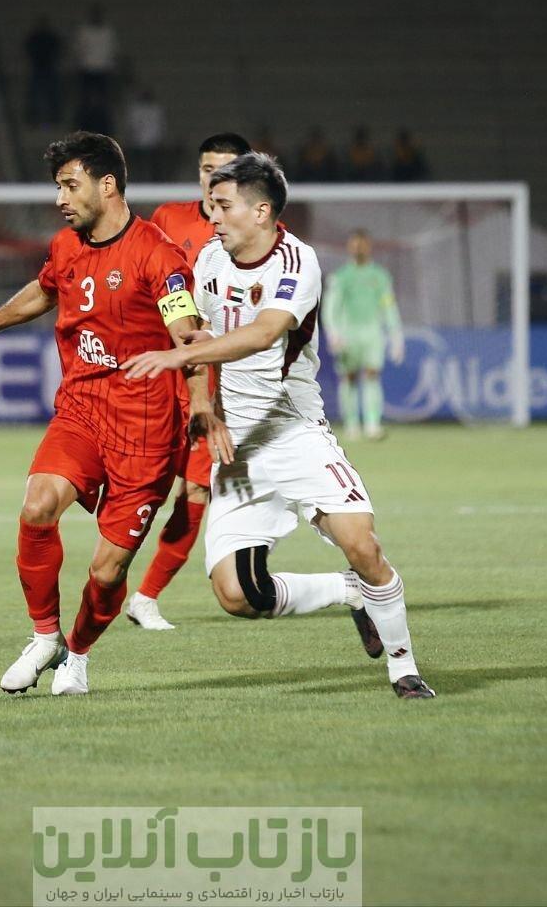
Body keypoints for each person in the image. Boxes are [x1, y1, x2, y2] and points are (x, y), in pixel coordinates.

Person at [122, 153, 435, 700]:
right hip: (238, 449)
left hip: (294, 432)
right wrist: (204, 406)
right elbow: (197, 338)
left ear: (261, 211)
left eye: (224, 206)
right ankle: (350, 592)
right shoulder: (210, 261)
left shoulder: (297, 261)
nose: (212, 216)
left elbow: (265, 333)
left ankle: (403, 667)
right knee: (236, 595)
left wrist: (179, 356)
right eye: (211, 205)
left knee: (362, 544)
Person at [0, 131, 230, 697]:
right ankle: (44, 635)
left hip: (146, 431)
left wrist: (200, 404)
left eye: (70, 185)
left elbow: (188, 336)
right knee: (38, 505)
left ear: (107, 184)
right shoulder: (66, 245)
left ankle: (78, 653)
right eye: (58, 187)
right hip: (82, 410)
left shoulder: (157, 255)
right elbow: (44, 290)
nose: (60, 198)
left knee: (106, 571)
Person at [123, 131, 252, 631]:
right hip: (157, 375)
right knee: (141, 486)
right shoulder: (167, 220)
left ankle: (145, 597)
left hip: (214, 382)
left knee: (197, 490)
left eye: (225, 170)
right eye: (206, 169)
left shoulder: (258, 234)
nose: (213, 179)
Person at [324, 230, 403, 440]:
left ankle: (372, 424)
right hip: (348, 333)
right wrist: (333, 332)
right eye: (355, 245)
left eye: (362, 244)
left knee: (372, 375)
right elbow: (331, 307)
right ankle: (351, 424)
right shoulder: (340, 277)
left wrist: (395, 335)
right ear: (349, 247)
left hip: (372, 333)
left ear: (369, 247)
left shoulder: (380, 276)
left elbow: (388, 306)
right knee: (349, 377)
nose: (358, 248)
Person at [23, 15, 63, 126]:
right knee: (34, 95)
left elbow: (58, 50)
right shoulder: (34, 37)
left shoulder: (52, 37)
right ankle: (33, 118)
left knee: (53, 94)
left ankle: (55, 118)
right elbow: (28, 49)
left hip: (49, 67)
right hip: (37, 68)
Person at [124, 88, 167, 182]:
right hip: (140, 143)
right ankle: (140, 180)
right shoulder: (136, 110)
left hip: (151, 143)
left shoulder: (155, 109)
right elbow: (132, 126)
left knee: (151, 166)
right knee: (140, 166)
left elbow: (160, 126)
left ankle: (151, 180)